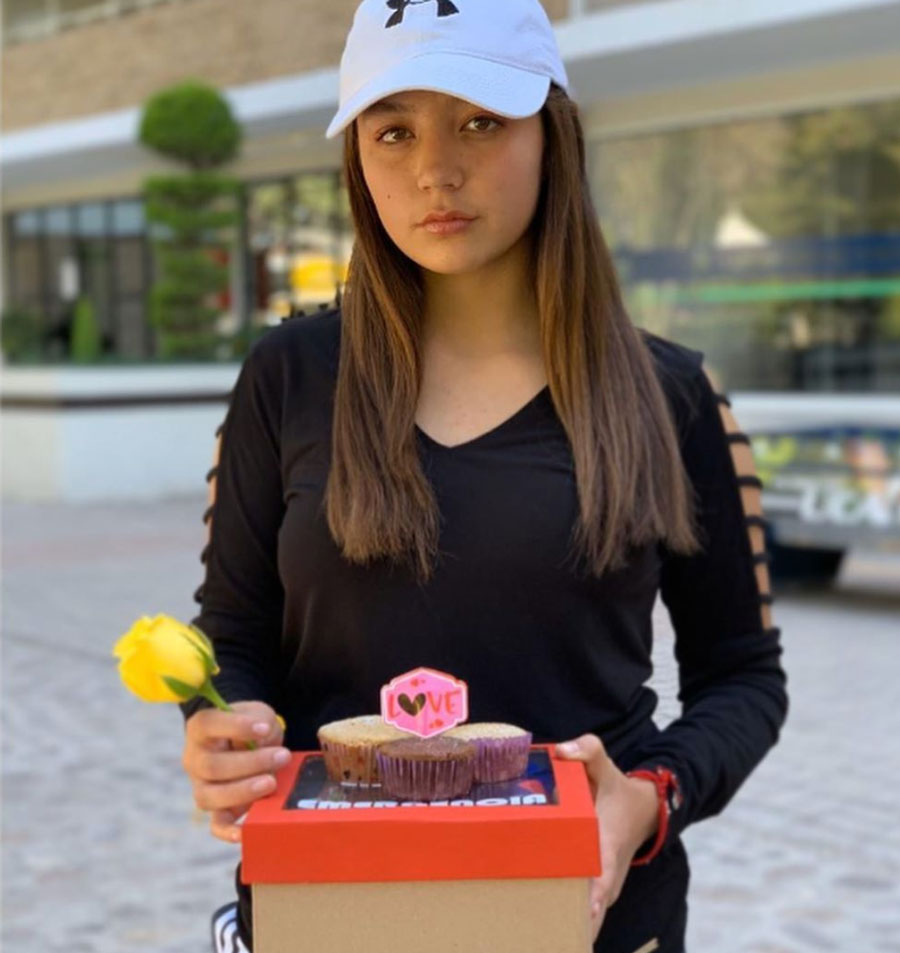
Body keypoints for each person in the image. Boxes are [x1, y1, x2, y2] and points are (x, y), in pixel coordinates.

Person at [179, 2, 789, 951]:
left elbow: (743, 676)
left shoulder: (670, 392)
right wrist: (224, 725)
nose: (436, 169)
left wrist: (646, 799)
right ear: (357, 161)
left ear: (554, 133)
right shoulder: (286, 375)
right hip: (334, 905)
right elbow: (231, 635)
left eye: (480, 121)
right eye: (393, 131)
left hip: (589, 913)